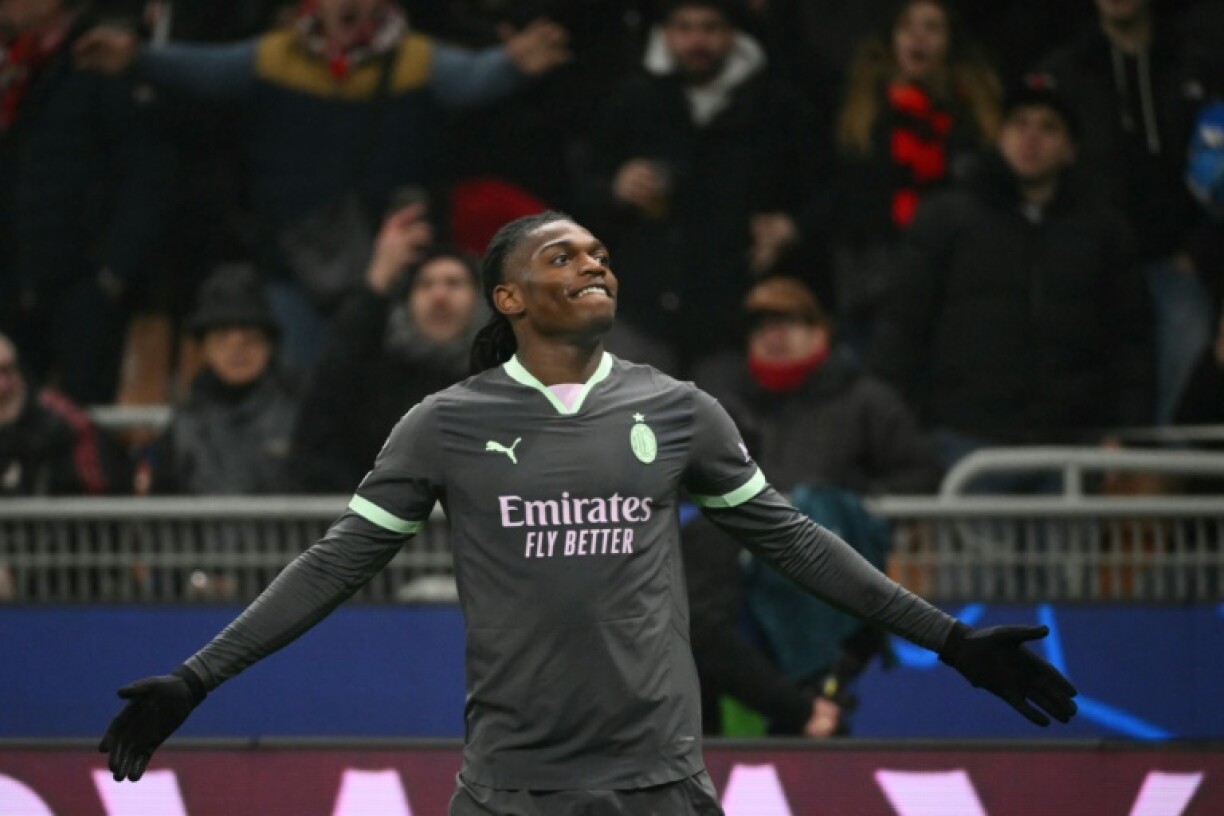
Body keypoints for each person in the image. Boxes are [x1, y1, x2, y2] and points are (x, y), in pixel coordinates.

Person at [99, 212, 1077, 813]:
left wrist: (950, 642)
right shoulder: (445, 425)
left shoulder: (680, 409)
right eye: (566, 256)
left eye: (602, 254)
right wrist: (197, 679)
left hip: (659, 784)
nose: (595, 264)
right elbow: (332, 565)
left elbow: (795, 542)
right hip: (512, 790)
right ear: (510, 296)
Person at [73, 0, 571, 372]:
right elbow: (198, 69)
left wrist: (513, 65)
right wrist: (135, 58)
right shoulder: (275, 57)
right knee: (302, 385)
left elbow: (474, 78)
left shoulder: (414, 58)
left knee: (389, 387)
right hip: (294, 263)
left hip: (392, 260)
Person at [684, 276, 941, 737]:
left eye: (790, 322)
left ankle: (811, 726)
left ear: (821, 333)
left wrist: (842, 509)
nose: (774, 333)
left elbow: (919, 472)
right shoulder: (724, 404)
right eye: (762, 325)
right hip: (733, 579)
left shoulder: (864, 399)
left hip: (820, 577)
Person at [871, 79, 1154, 482]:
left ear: (1071, 149)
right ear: (999, 137)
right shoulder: (946, 217)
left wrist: (1127, 435)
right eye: (1019, 123)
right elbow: (902, 327)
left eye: (1048, 127)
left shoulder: (1105, 230)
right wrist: (898, 437)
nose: (1031, 136)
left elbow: (1132, 340)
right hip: (964, 442)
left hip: (1072, 446)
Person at [577, 0, 816, 369]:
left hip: (736, 314)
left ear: (732, 35)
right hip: (641, 308)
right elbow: (579, 183)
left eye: (710, 28)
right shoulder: (633, 99)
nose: (697, 41)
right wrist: (614, 187)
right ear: (666, 34)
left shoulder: (775, 106)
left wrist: (792, 227)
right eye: (685, 28)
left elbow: (824, 189)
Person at [1035, 0, 1215, 425]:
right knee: (1094, 406)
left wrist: (1199, 253)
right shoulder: (1063, 71)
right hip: (1094, 270)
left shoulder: (1199, 66)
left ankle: (1166, 487)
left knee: (1181, 413)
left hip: (1180, 267)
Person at [806, 0, 1001, 358]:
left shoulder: (975, 119)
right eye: (908, 26)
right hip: (874, 291)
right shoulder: (858, 113)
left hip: (955, 287)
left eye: (931, 27)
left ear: (950, 42)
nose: (919, 38)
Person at [0, 0, 171, 404]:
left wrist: (111, 273)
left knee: (89, 428)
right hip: (15, 280)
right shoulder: (16, 68)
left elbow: (144, 172)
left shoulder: (104, 56)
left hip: (83, 285)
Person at [292, 204, 483, 493]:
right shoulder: (381, 376)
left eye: (454, 283)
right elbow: (324, 410)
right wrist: (376, 281)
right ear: (407, 304)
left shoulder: (502, 374)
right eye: (425, 284)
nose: (440, 295)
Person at [143, 263, 299, 495]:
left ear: (269, 348)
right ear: (205, 349)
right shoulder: (182, 427)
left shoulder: (300, 416)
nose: (237, 351)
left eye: (250, 340)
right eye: (222, 339)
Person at [0, 331, 129, 497]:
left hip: (56, 515)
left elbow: (99, 482)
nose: (3, 386)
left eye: (7, 371)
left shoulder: (58, 418)